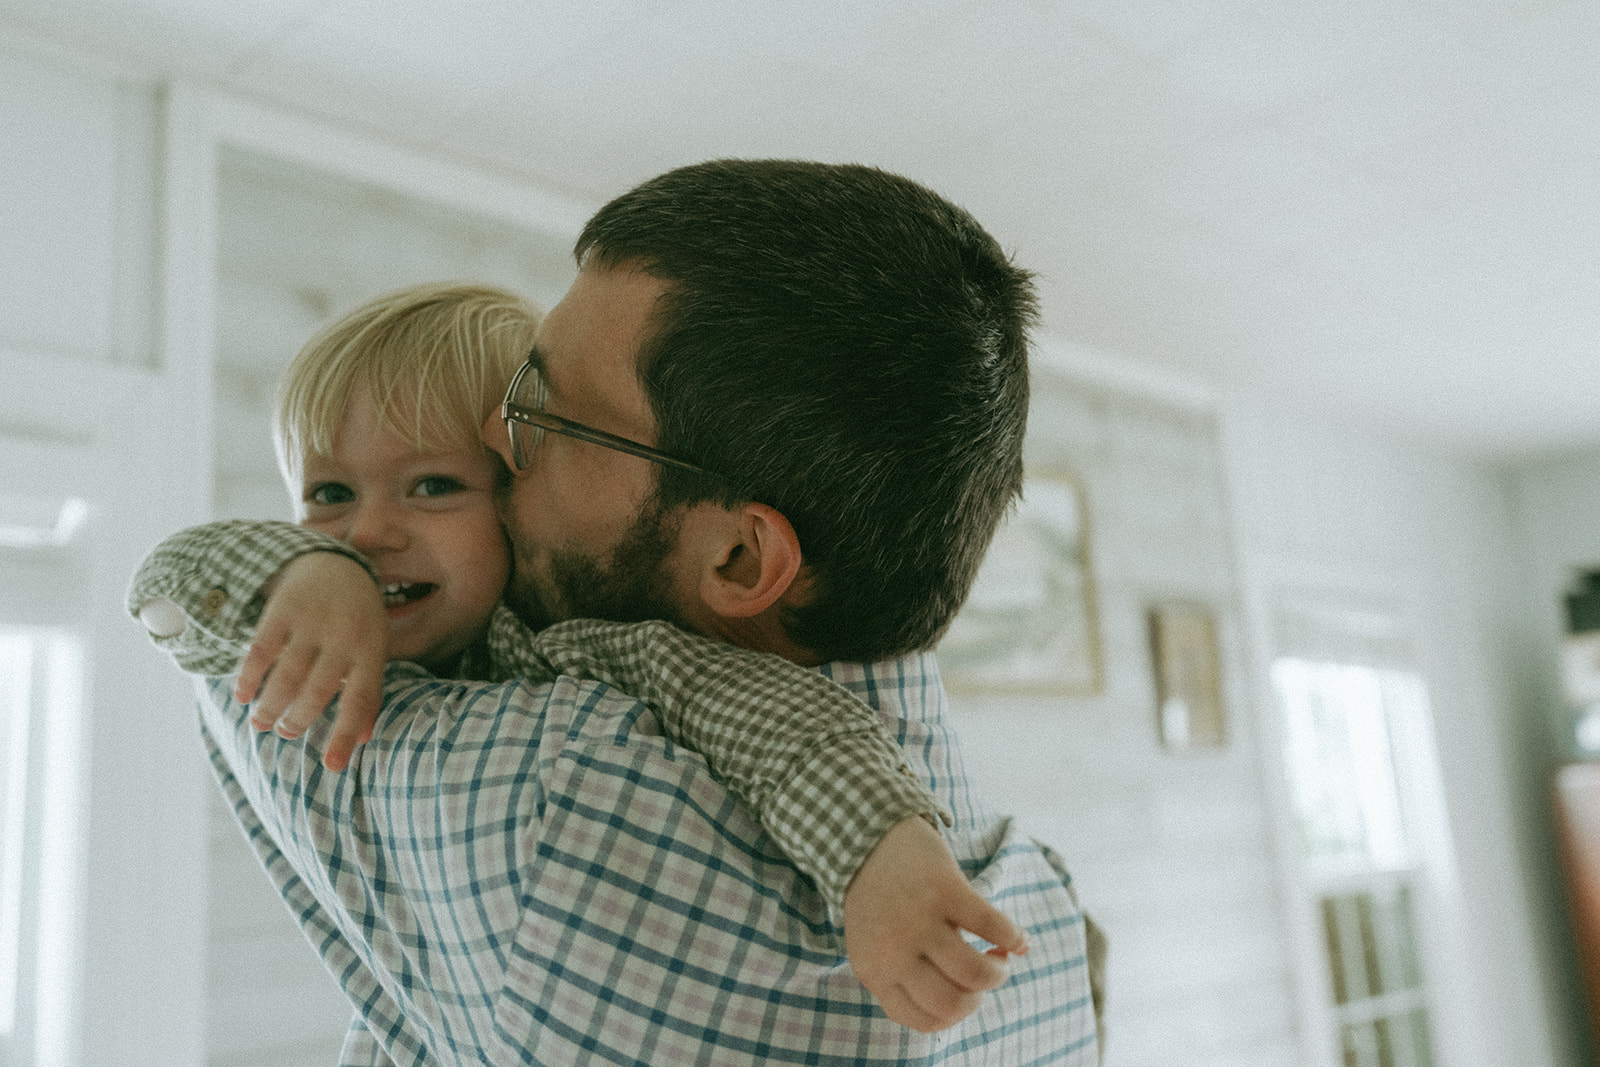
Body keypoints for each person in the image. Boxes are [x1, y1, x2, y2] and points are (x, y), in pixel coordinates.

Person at [132, 162, 1103, 1064]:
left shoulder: (568, 774)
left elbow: (781, 724)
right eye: (328, 496)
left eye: (545, 414)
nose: (491, 438)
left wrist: (877, 853)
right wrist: (306, 565)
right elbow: (176, 575)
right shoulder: (1044, 902)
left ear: (737, 555)